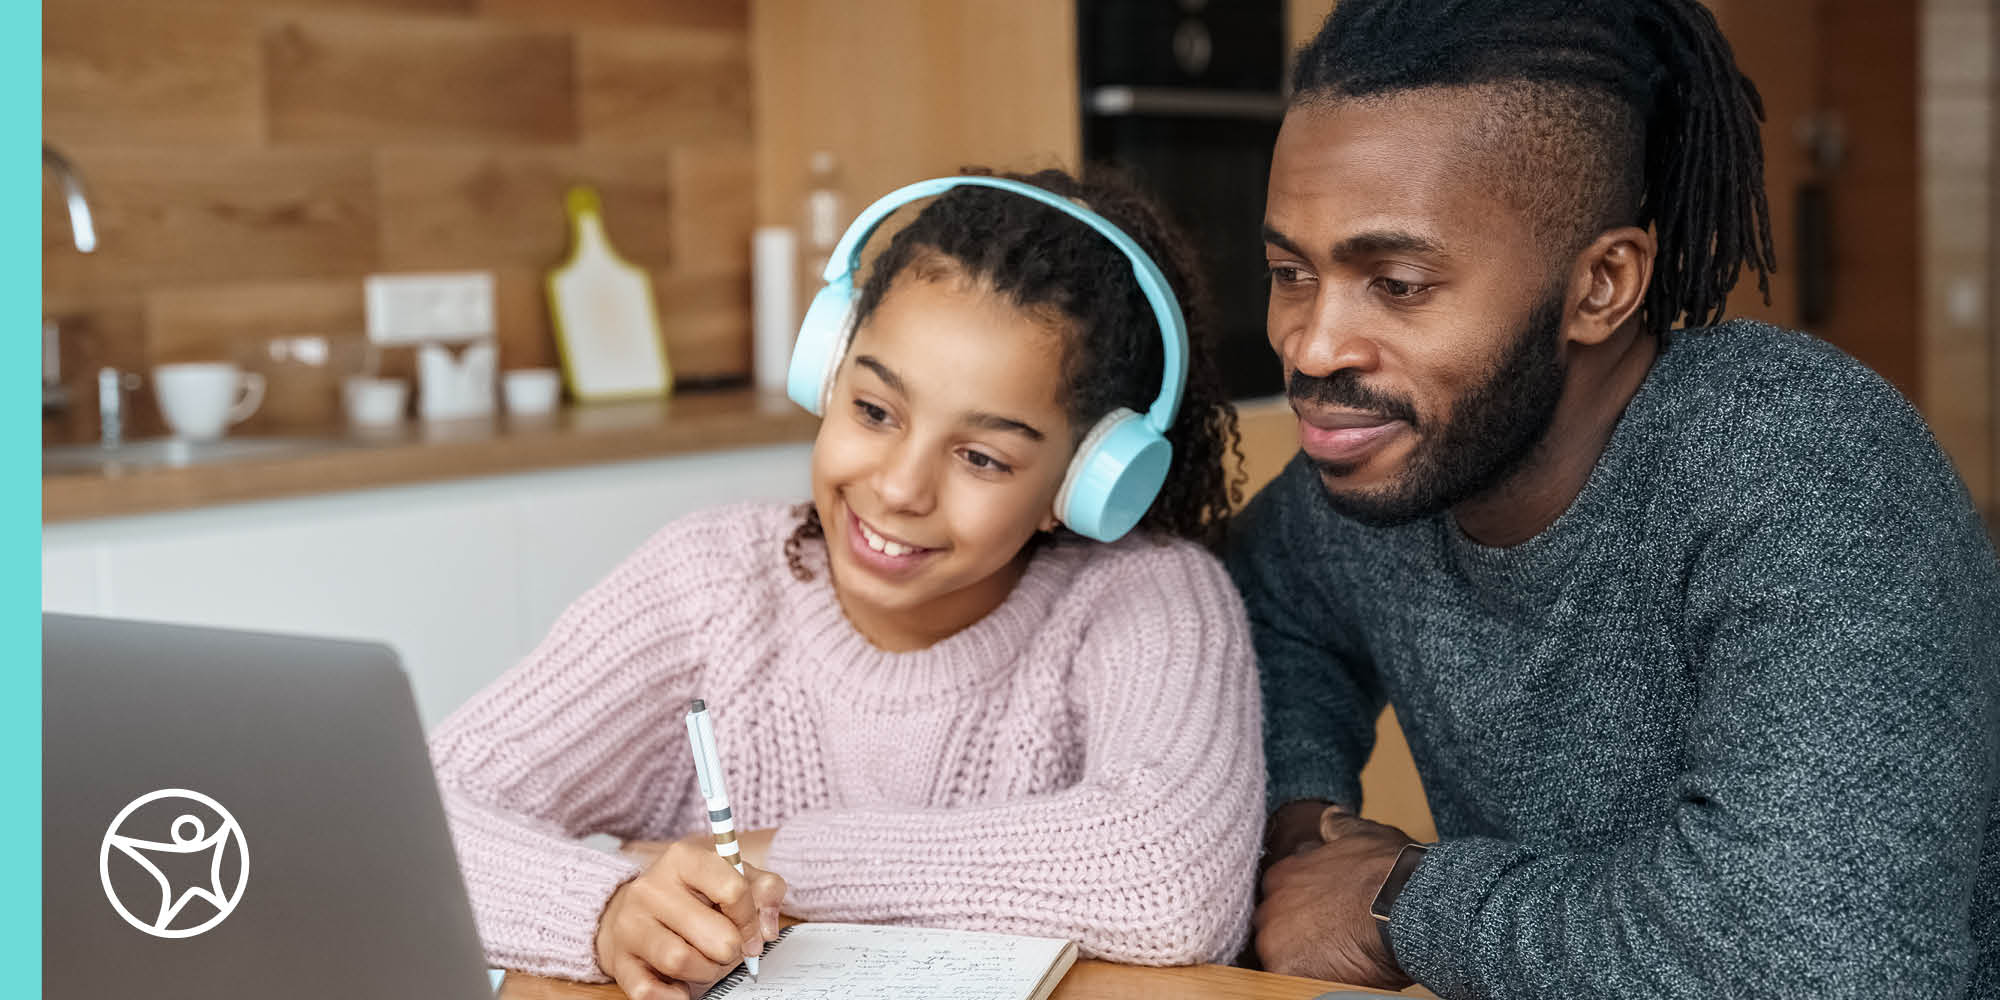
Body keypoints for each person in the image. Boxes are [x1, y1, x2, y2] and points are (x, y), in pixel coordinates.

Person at [1231, 2, 2000, 997]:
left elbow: (1817, 967)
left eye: (1397, 282)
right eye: (1289, 271)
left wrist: (1400, 899)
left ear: (1600, 286)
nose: (1311, 343)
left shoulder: (1799, 464)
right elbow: (1264, 607)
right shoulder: (1388, 467)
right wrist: (1304, 829)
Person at [429, 167, 1264, 1000]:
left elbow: (1173, 877)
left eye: (981, 457)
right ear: (826, 376)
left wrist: (773, 858)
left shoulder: (1147, 599)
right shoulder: (710, 579)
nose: (901, 487)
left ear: (1084, 482)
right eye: (874, 411)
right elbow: (413, 819)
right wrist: (605, 905)